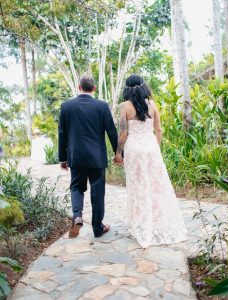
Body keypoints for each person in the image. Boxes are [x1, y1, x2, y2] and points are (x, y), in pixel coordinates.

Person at [114, 74, 187, 248]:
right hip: (151, 147)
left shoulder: (124, 106)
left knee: (137, 184)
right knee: (155, 184)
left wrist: (118, 153)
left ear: (127, 88)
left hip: (134, 150)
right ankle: (155, 221)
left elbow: (123, 133)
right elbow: (159, 130)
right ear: (143, 86)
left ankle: (140, 222)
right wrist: (156, 148)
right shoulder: (153, 105)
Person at [58, 75, 118, 238]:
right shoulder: (102, 106)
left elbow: (62, 133)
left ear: (79, 88)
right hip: (97, 158)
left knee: (77, 187)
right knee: (97, 192)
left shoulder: (66, 106)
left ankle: (77, 215)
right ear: (94, 89)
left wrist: (63, 158)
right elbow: (111, 131)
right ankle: (97, 228)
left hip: (76, 156)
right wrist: (119, 153)